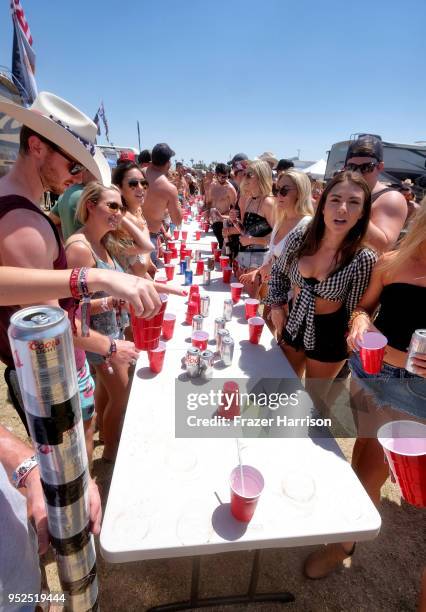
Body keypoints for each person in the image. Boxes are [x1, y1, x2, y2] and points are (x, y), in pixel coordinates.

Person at [303, 199, 426, 584]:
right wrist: (358, 323)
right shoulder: (392, 261)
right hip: (375, 380)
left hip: (419, 395)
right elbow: (363, 309)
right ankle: (343, 545)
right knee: (365, 471)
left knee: (411, 483)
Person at [266, 171, 377, 383]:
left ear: (362, 212)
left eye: (354, 202)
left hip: (330, 335)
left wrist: (352, 337)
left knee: (314, 402)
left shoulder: (363, 258)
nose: (342, 209)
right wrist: (277, 306)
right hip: (294, 321)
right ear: (323, 205)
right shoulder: (301, 237)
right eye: (335, 200)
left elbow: (357, 308)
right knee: (282, 389)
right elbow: (279, 272)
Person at [65, 182, 139, 462]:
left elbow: (145, 247)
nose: (119, 212)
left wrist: (122, 218)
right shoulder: (80, 248)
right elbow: (71, 309)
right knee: (122, 399)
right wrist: (111, 301)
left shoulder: (104, 240)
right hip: (98, 339)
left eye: (122, 206)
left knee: (108, 394)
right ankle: (111, 454)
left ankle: (104, 438)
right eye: (112, 205)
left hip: (112, 332)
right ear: (90, 206)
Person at [240, 169, 313, 297]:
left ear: (301, 192)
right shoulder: (281, 220)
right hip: (274, 293)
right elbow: (274, 256)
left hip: (290, 298)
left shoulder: (307, 225)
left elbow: (304, 271)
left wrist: (270, 269)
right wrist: (258, 271)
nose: (278, 195)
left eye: (284, 190)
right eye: (276, 190)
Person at [344, 134, 407, 252]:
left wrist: (353, 207)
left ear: (380, 167)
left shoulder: (390, 198)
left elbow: (383, 246)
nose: (358, 173)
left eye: (366, 167)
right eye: (352, 167)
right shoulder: (341, 193)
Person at [232, 160, 274, 295]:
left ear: (261, 176)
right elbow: (246, 231)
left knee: (250, 303)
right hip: (245, 256)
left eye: (250, 174)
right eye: (245, 174)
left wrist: (252, 240)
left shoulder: (268, 202)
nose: (245, 177)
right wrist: (235, 222)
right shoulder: (250, 199)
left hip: (260, 259)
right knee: (243, 301)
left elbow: (276, 238)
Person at [111, 162, 154, 277]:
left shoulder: (137, 211)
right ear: (119, 188)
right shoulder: (122, 220)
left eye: (144, 183)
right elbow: (139, 269)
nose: (140, 188)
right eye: (133, 184)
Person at [144, 143, 182, 266]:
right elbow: (177, 220)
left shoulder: (137, 174)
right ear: (167, 163)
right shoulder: (168, 188)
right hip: (148, 238)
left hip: (127, 234)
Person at [48, 169, 95, 241]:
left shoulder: (65, 193)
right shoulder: (92, 196)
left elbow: (51, 221)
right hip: (88, 249)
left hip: (69, 248)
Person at [207, 163, 237, 250]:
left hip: (224, 221)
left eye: (226, 176)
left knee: (225, 247)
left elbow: (235, 209)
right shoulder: (212, 186)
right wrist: (207, 212)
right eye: (222, 176)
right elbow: (209, 202)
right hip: (214, 220)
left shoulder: (230, 188)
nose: (225, 179)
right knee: (221, 246)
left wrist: (223, 216)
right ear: (216, 175)